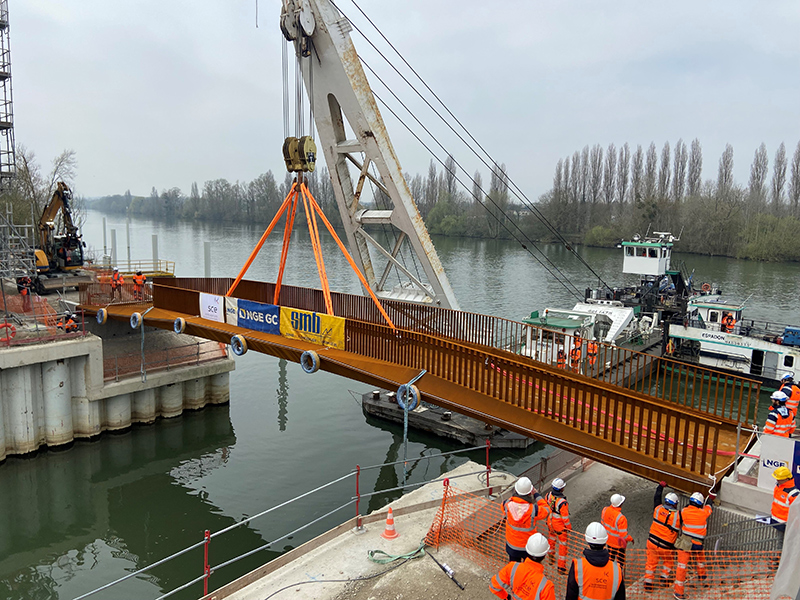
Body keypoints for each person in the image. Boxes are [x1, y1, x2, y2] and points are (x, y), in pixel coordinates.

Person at [565, 522, 625, 600]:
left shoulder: (578, 567)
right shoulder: (616, 570)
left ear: (587, 540)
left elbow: (570, 596)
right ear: (605, 541)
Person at [490, 533, 555, 600]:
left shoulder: (512, 568)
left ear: (527, 550)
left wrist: (506, 597)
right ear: (544, 555)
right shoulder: (546, 586)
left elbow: (494, 585)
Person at [674, 492, 712, 600]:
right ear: (700, 504)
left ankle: (678, 593)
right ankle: (702, 576)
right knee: (700, 561)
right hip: (698, 544)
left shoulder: (684, 511)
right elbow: (709, 507)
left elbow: (680, 517)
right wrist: (710, 499)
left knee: (681, 567)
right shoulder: (704, 512)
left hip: (685, 544)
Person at [503, 476, 551, 562]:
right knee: (528, 569)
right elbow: (547, 510)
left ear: (515, 490)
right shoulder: (534, 510)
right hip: (528, 547)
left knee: (514, 568)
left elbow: (509, 507)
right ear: (530, 493)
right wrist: (536, 495)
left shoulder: (506, 504)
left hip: (512, 546)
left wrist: (514, 497)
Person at [644, 482, 681, 592]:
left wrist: (660, 486)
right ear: (675, 504)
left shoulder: (658, 509)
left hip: (652, 542)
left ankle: (648, 584)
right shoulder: (677, 516)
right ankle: (663, 579)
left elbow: (656, 497)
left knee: (651, 563)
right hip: (666, 546)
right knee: (669, 562)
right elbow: (689, 513)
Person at [545, 478, 571, 574]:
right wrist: (569, 528)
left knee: (551, 539)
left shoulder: (548, 496)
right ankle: (561, 568)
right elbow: (565, 518)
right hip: (559, 526)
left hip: (550, 523)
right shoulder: (562, 502)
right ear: (561, 489)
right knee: (562, 546)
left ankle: (551, 559)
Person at [601, 493, 634, 569]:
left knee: (610, 561)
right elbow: (623, 535)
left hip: (608, 542)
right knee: (620, 564)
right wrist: (630, 539)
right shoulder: (621, 518)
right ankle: (619, 577)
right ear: (621, 504)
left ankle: (609, 575)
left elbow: (603, 523)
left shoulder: (605, 510)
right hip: (619, 545)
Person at [770, 466, 799, 533]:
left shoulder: (793, 493)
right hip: (777, 521)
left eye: (780, 479)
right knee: (780, 540)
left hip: (786, 524)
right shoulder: (778, 487)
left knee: (783, 541)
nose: (778, 480)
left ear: (786, 479)